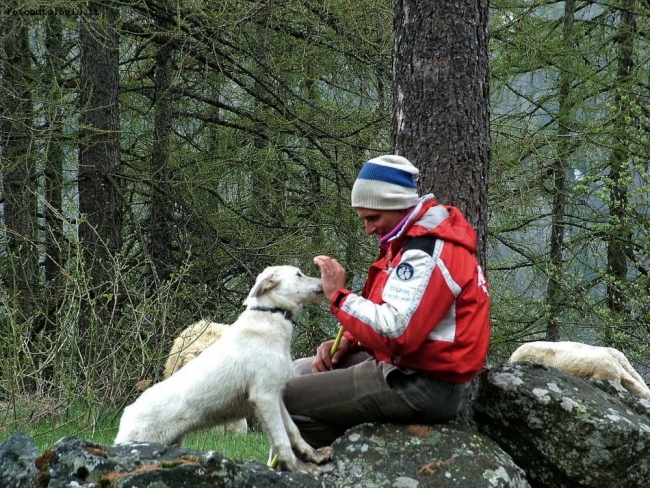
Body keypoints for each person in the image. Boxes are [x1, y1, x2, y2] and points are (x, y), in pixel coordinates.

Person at [284, 154, 491, 448]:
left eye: (373, 218)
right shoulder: (408, 240)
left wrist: (338, 297)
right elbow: (393, 308)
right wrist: (350, 341)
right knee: (294, 372)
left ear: (395, 205)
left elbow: (397, 332)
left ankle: (347, 465)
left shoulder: (426, 251)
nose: (369, 229)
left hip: (424, 383)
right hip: (407, 366)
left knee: (282, 397)